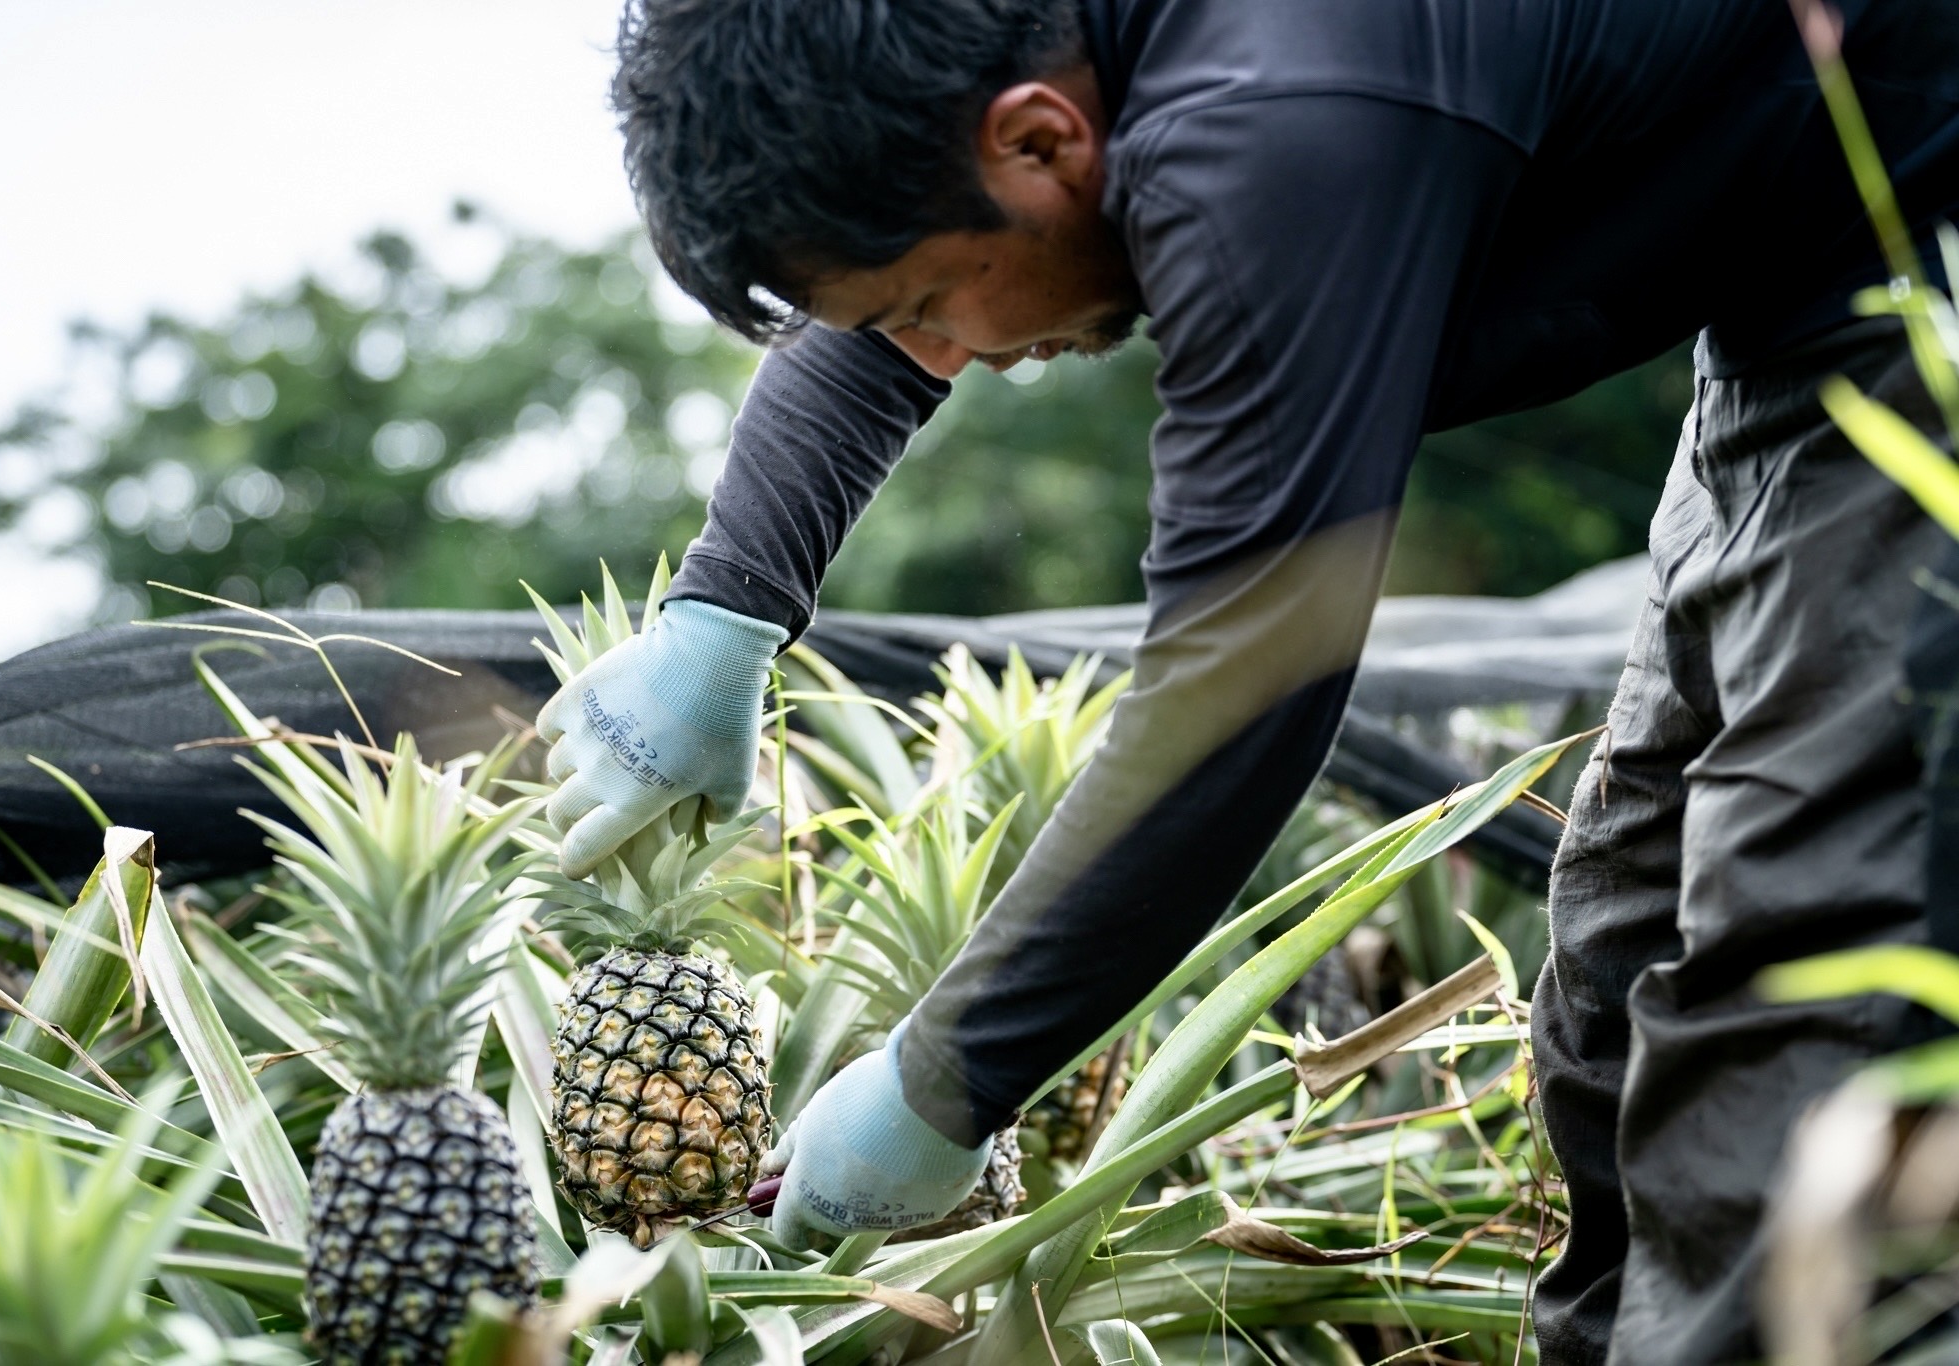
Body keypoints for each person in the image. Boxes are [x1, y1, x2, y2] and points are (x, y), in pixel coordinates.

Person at [530, 0, 1959, 1358]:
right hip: (1797, 290)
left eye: (929, 305)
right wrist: (725, 606)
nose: (961, 359)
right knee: (1622, 979)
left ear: (1042, 143)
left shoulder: (1278, 120)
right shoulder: (1045, 57)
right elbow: (898, 274)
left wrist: (940, 1083)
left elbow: (1245, 681)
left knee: (1790, 1009)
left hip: (1926, 251)